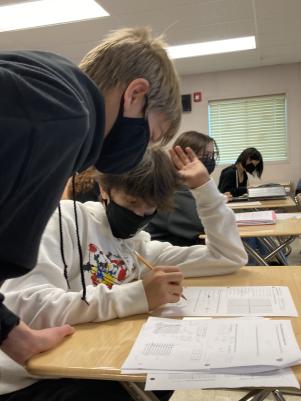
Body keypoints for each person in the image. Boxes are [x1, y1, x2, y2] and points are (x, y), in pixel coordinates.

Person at [0, 147, 247, 400]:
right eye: (131, 202)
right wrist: (138, 295)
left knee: (161, 375)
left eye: (151, 206)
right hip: (30, 377)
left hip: (89, 363)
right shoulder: (64, 220)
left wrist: (204, 187)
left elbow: (227, 257)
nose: (140, 214)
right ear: (105, 190)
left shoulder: (138, 246)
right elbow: (24, 308)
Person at [0, 27, 181, 366]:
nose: (141, 152)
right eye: (150, 137)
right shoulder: (64, 116)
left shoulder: (48, 80)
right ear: (135, 94)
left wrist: (10, 332)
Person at [147, 131, 219, 246]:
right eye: (206, 155)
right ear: (185, 156)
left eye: (211, 156)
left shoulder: (185, 184)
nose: (210, 160)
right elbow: (210, 223)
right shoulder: (176, 189)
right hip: (166, 260)